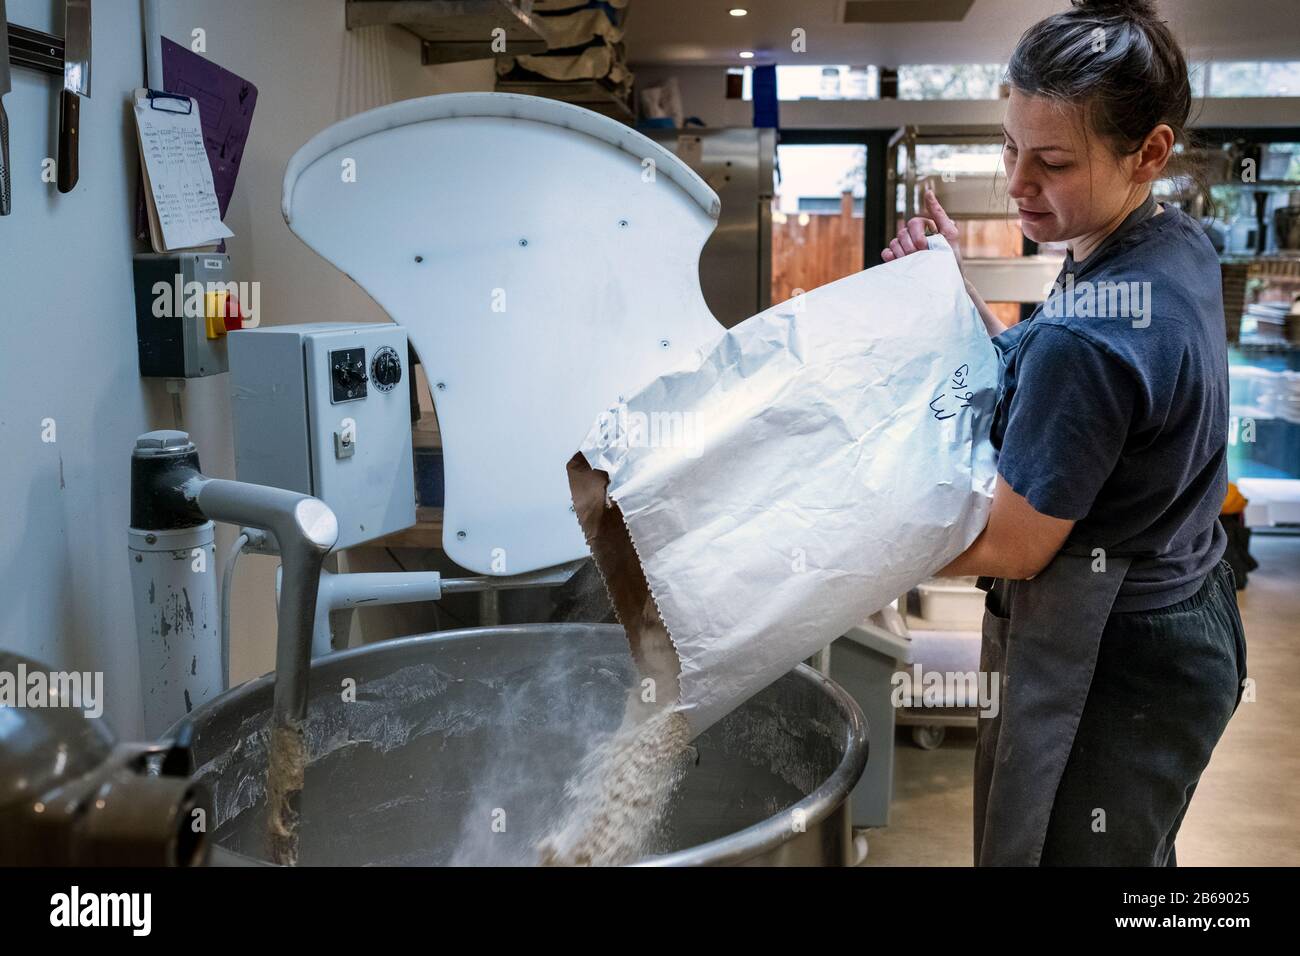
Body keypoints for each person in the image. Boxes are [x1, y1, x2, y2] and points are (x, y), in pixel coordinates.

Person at [884, 0, 1247, 865]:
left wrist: (852, 548)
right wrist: (959, 302)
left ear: (1149, 152)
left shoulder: (1090, 342)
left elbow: (1012, 545)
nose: (1016, 184)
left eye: (1051, 162)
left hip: (1108, 658)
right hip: (1192, 620)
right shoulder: (1168, 242)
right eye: (1010, 147)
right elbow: (1051, 357)